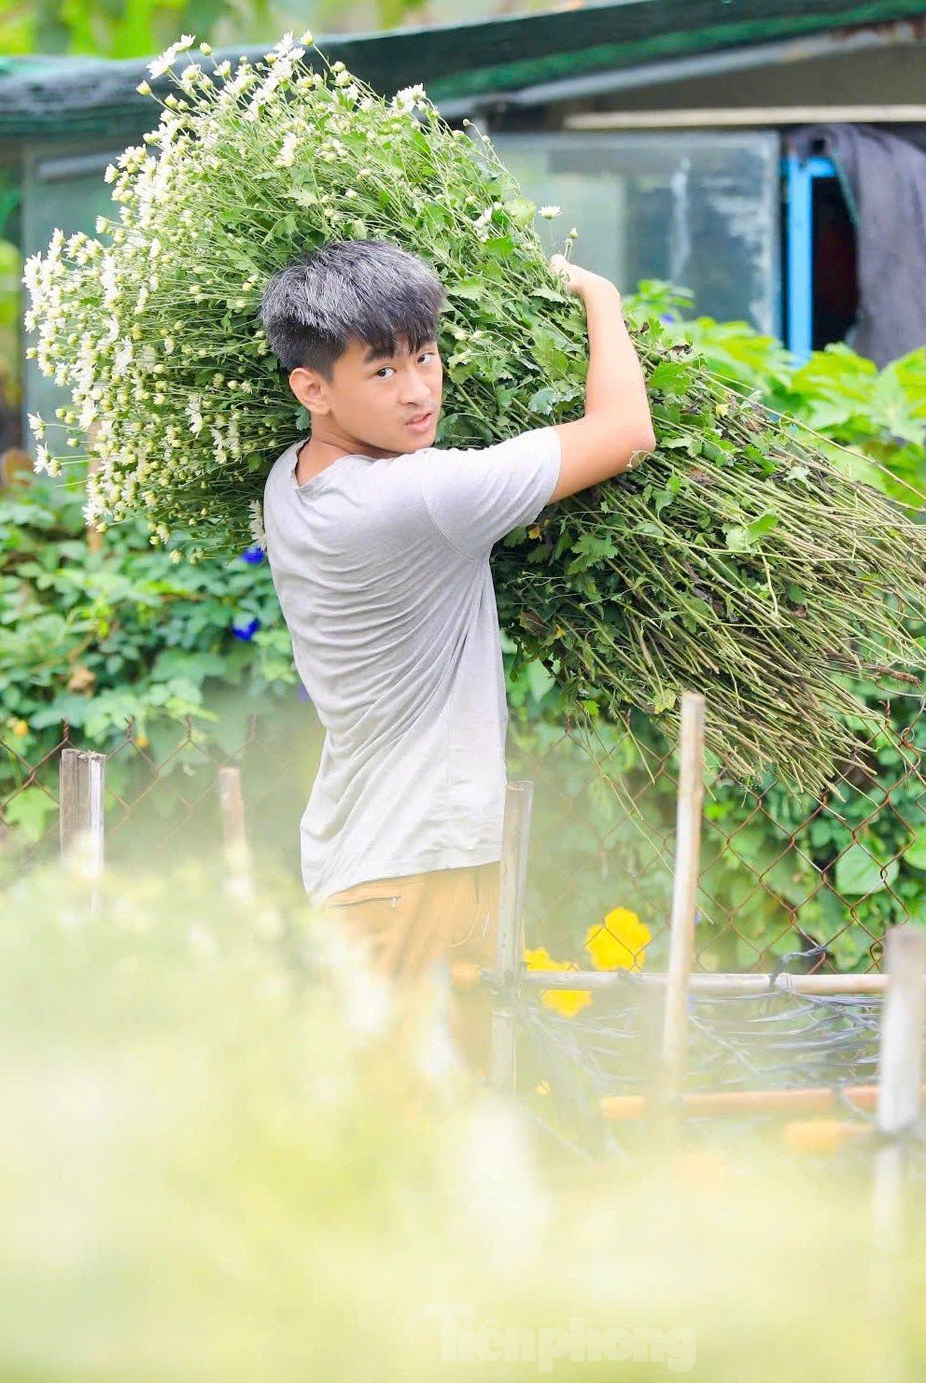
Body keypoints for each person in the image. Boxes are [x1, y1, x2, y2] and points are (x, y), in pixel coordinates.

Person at [258, 237, 655, 1065]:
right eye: (382, 372)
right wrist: (599, 295)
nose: (419, 393)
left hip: (369, 861)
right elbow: (626, 431)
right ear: (312, 388)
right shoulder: (418, 497)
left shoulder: (289, 477)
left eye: (427, 356)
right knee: (416, 1140)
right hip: (414, 867)